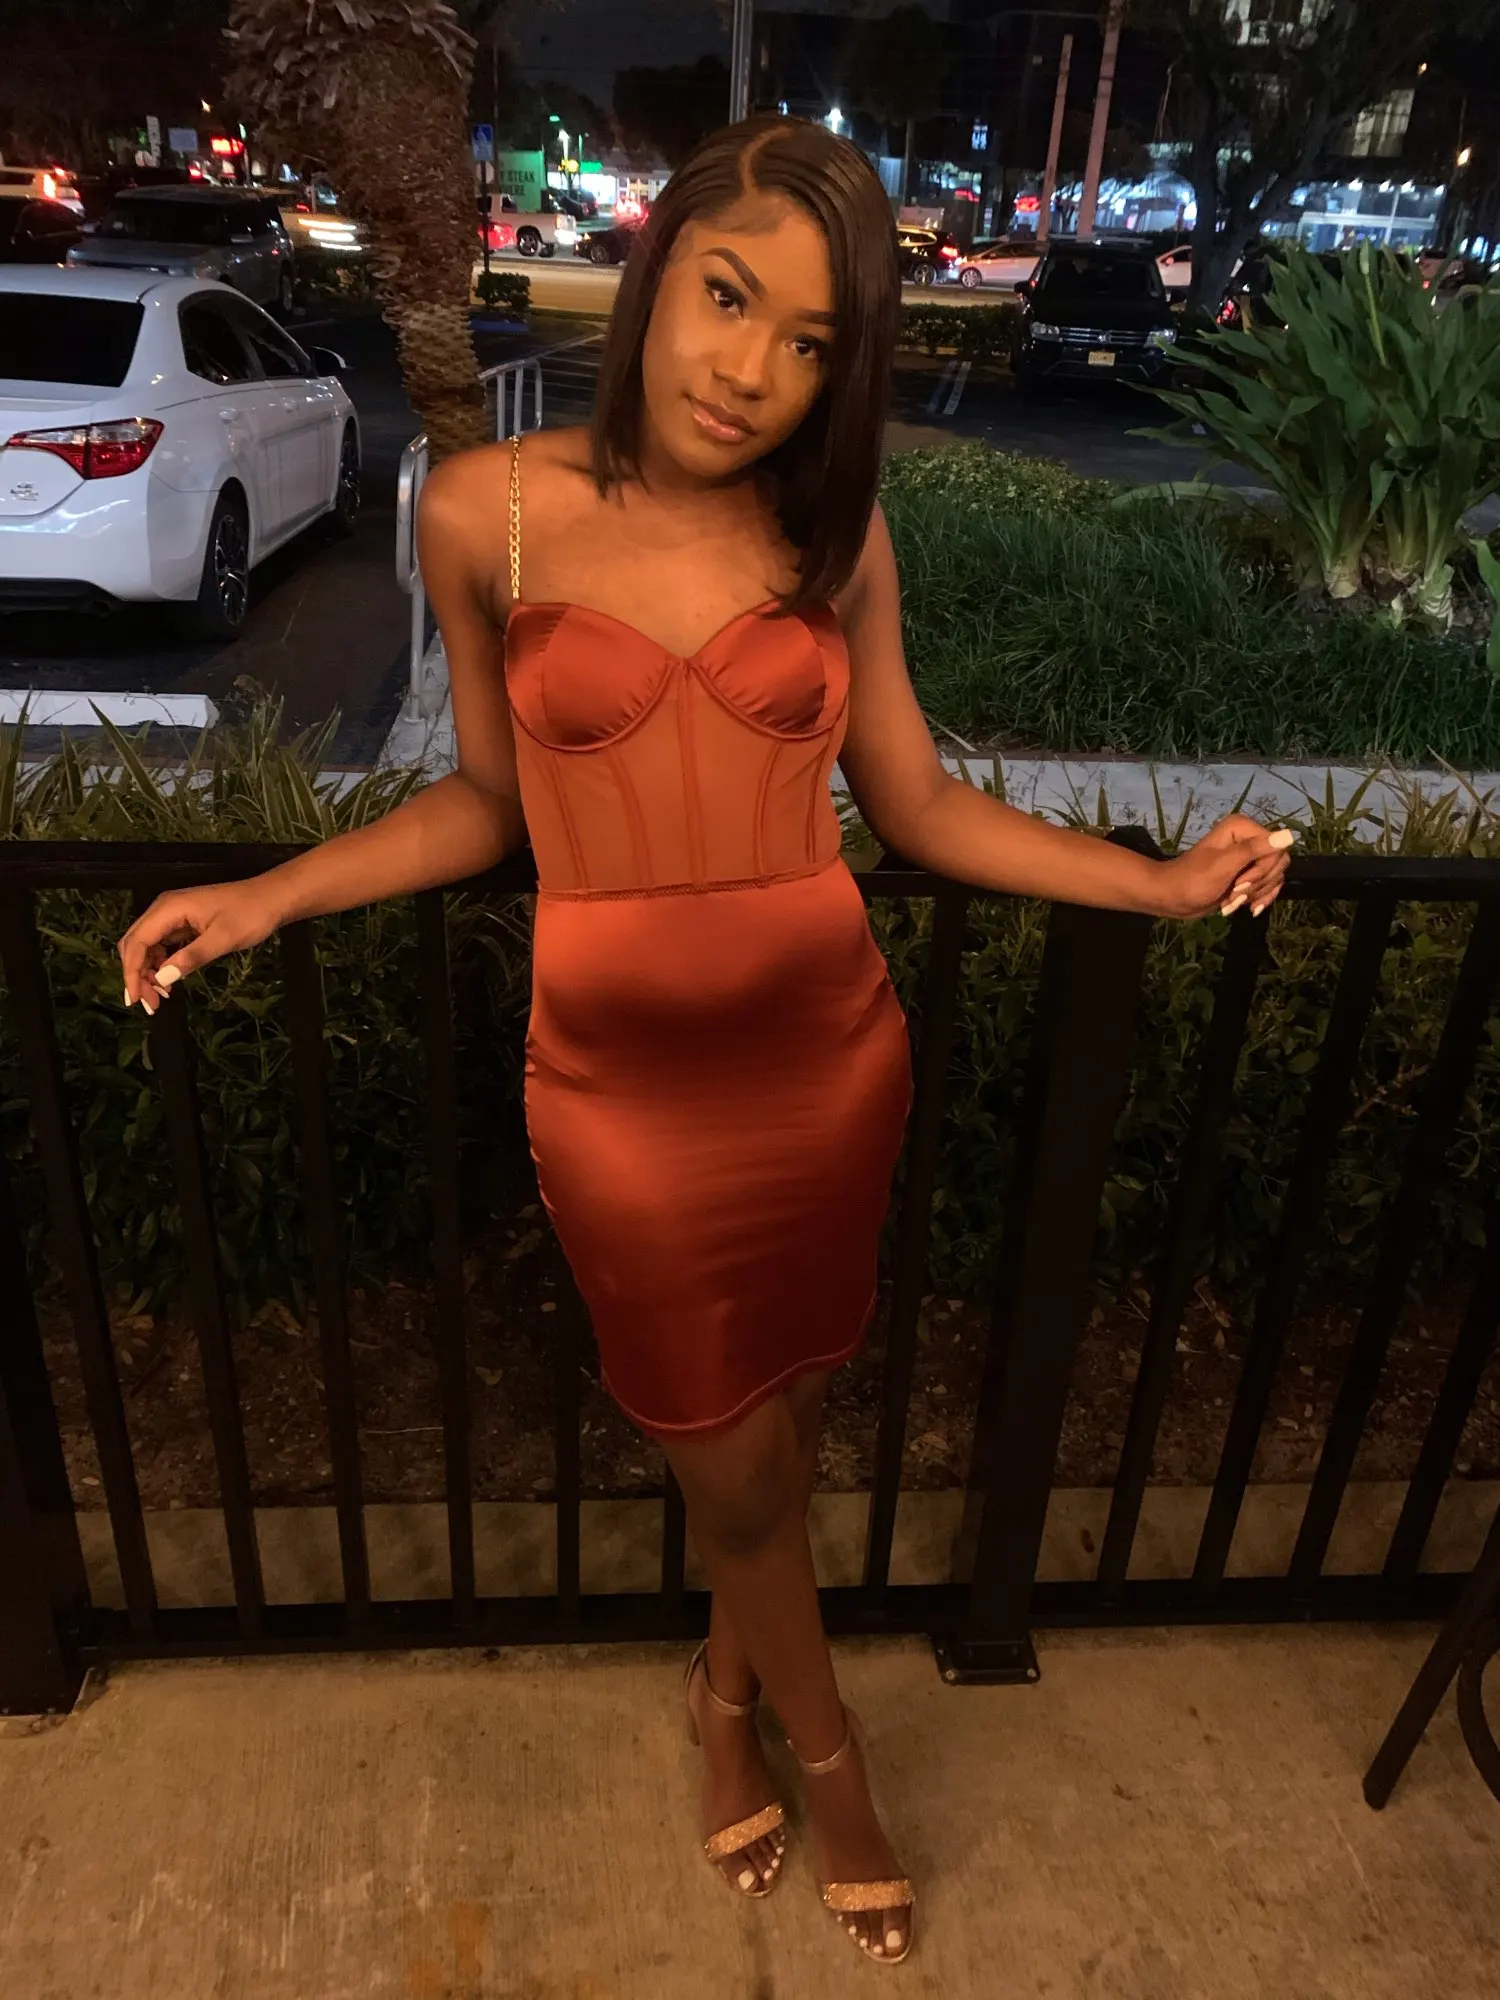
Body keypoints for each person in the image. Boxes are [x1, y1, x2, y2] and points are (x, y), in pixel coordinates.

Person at [118, 113, 1294, 1965]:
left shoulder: (832, 532)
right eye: (730, 298)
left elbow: (916, 804)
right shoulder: (486, 512)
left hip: (828, 1060)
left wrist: (1154, 885)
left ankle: (725, 1696)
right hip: (622, 1097)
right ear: (660, 266)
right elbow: (484, 807)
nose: (751, 368)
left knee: (787, 1435)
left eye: (811, 340)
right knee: (732, 1468)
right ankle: (830, 1759)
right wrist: (269, 895)